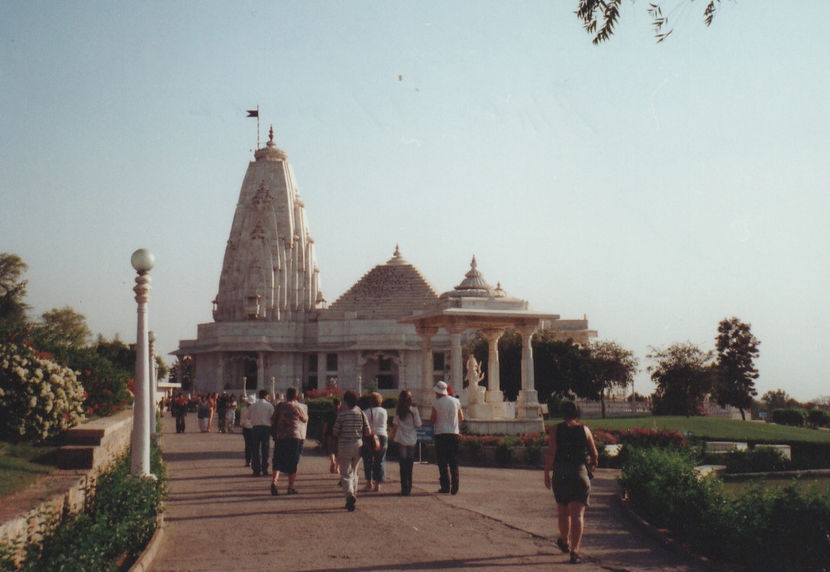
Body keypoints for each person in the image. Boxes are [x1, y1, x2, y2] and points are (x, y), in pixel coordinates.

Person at [543, 400, 599, 565]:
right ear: (577, 413)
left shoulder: (556, 429)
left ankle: (565, 541)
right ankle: (575, 551)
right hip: (579, 473)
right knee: (577, 514)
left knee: (563, 512)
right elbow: (595, 454)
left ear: (562, 413)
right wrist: (592, 465)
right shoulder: (585, 430)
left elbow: (551, 453)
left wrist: (547, 472)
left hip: (561, 473)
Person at [333, 390, 372, 512]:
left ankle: (350, 494)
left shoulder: (342, 414)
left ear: (345, 401)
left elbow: (335, 431)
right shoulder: (360, 412)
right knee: (354, 471)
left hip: (345, 445)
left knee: (345, 473)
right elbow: (368, 431)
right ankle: (353, 495)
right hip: (358, 444)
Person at [270, 387, 309, 495]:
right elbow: (305, 419)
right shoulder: (297, 406)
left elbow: (272, 419)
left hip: (281, 436)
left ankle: (274, 481)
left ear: (286, 395)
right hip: (294, 436)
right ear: (296, 396)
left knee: (277, 461)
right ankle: (290, 487)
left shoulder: (280, 405)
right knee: (293, 462)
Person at [430, 380, 463, 495]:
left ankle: (445, 486)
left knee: (442, 462)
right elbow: (461, 417)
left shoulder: (436, 403)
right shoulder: (456, 401)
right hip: (454, 433)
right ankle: (455, 486)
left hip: (441, 434)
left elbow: (433, 419)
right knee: (454, 461)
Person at [390, 390, 421, 496]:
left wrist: (392, 436)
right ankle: (409, 487)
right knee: (410, 464)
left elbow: (395, 425)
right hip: (412, 439)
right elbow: (418, 425)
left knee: (402, 465)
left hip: (401, 438)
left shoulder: (398, 411)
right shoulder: (414, 410)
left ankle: (404, 487)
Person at [362, 392, 388, 493]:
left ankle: (369, 483)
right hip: (383, 435)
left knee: (368, 460)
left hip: (371, 437)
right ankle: (378, 484)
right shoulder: (384, 411)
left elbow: (365, 427)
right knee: (380, 460)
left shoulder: (366, 412)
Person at [248, 390, 275, 477]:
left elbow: (248, 416)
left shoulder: (253, 405)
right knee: (265, 449)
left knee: (255, 449)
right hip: (266, 428)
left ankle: (256, 470)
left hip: (255, 428)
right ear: (266, 396)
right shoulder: (269, 405)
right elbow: (273, 417)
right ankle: (264, 469)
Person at [321, 397, 341, 474]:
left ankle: (332, 462)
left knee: (331, 450)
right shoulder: (341, 413)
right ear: (340, 404)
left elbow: (325, 424)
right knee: (338, 452)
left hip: (330, 433)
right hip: (339, 434)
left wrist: (323, 433)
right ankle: (337, 468)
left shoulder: (328, 413)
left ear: (333, 404)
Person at [240, 394, 256, 467]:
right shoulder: (255, 408)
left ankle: (248, 461)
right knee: (254, 445)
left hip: (246, 428)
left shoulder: (244, 409)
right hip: (254, 428)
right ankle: (254, 460)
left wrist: (242, 424)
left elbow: (242, 420)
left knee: (247, 445)